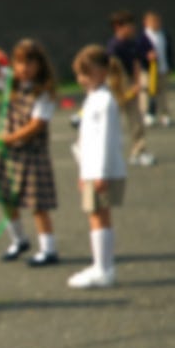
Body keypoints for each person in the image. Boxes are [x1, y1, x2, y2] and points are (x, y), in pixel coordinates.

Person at [0, 39, 60, 267]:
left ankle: (49, 249)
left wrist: (7, 139)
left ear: (40, 65)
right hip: (10, 155)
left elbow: (36, 125)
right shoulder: (12, 82)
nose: (24, 68)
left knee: (38, 205)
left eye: (30, 63)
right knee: (6, 199)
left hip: (33, 155)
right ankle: (19, 240)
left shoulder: (44, 92)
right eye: (19, 63)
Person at [68, 45, 128, 288]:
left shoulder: (105, 101)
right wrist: (83, 171)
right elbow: (86, 139)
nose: (82, 79)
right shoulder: (93, 98)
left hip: (102, 169)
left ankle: (104, 269)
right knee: (96, 216)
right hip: (91, 169)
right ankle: (101, 266)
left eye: (87, 73)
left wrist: (99, 173)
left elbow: (105, 139)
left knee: (99, 217)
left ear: (102, 72)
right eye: (80, 74)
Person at [107, 10, 156, 167]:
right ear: (118, 27)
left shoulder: (133, 44)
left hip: (131, 83)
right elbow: (113, 73)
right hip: (118, 84)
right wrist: (125, 90)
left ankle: (138, 151)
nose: (133, 28)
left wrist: (136, 83)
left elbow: (136, 63)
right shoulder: (114, 47)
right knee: (109, 119)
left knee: (136, 120)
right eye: (129, 25)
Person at [141, 10, 174, 127]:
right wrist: (147, 56)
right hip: (148, 70)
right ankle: (148, 114)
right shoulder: (143, 37)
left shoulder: (164, 35)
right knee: (147, 92)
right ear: (146, 23)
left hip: (162, 69)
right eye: (153, 21)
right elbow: (139, 53)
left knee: (163, 93)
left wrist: (170, 65)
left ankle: (165, 115)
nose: (156, 24)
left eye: (157, 21)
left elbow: (169, 51)